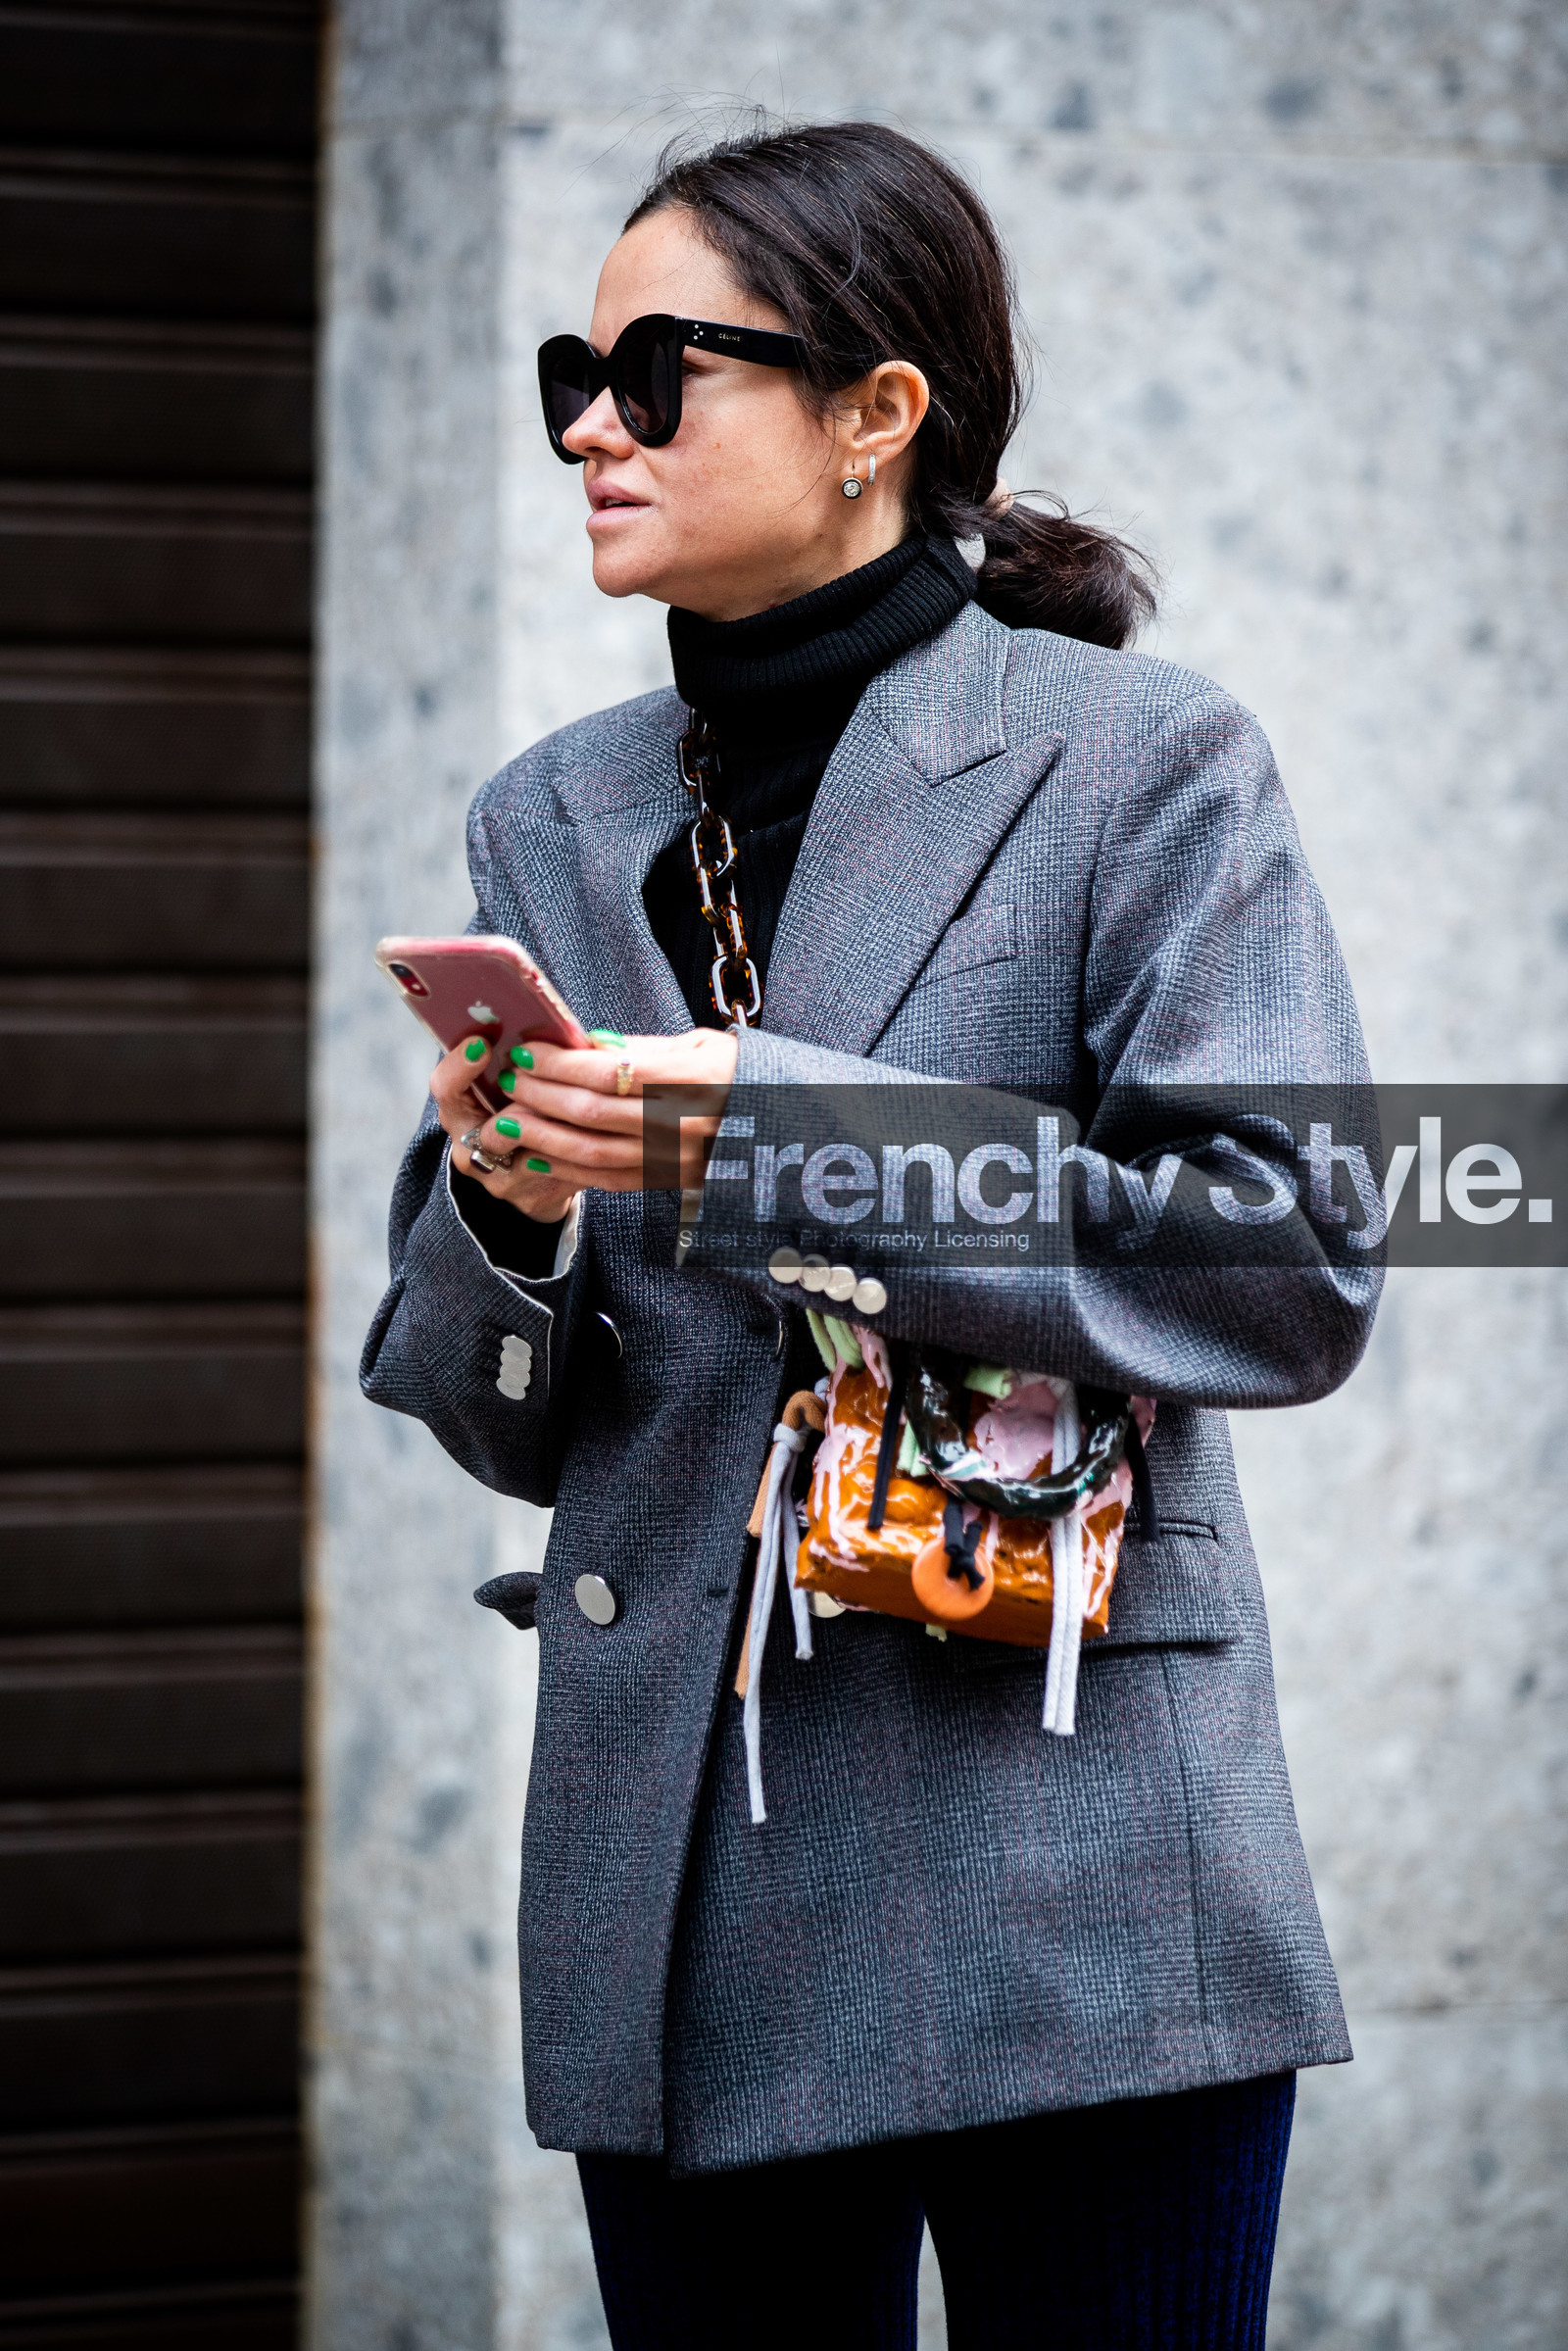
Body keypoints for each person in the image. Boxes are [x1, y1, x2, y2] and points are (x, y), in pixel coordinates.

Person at [362, 119, 1376, 2350]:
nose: (588, 430)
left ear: (874, 414)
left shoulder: (1137, 761)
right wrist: (505, 1209)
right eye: (570, 375)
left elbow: (1284, 1257)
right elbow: (496, 1416)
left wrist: (778, 1139)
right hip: (679, 1880)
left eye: (657, 374)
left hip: (1066, 1865)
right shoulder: (554, 815)